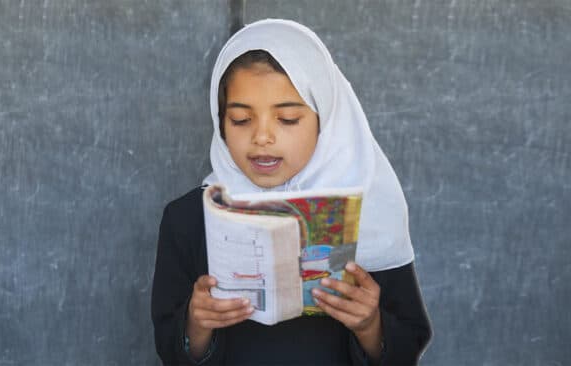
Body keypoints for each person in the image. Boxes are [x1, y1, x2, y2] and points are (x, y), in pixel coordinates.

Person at [151, 19, 432, 365]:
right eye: (240, 119)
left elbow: (408, 342)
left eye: (287, 119)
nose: (262, 137)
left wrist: (370, 326)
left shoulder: (369, 214)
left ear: (325, 121)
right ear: (220, 122)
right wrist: (195, 324)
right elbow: (169, 347)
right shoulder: (189, 218)